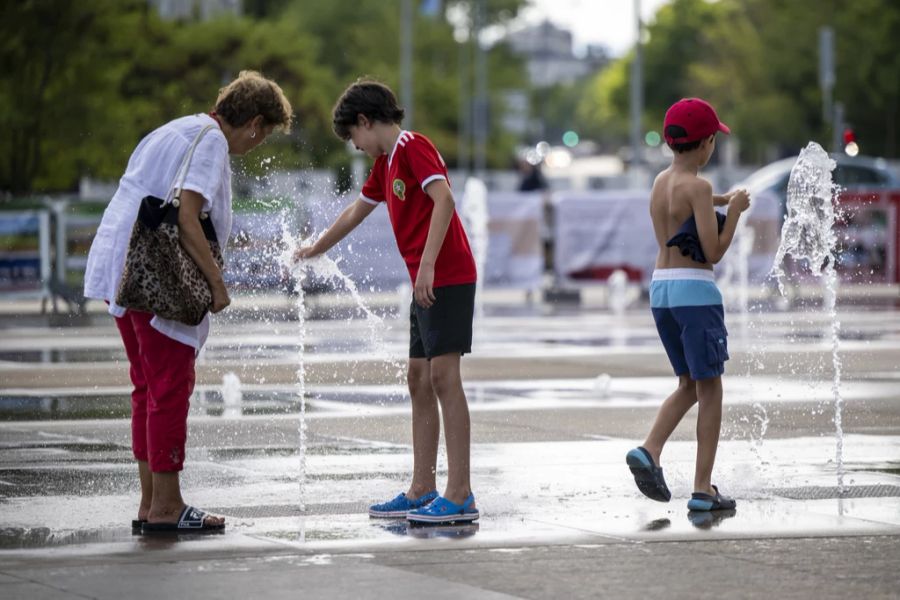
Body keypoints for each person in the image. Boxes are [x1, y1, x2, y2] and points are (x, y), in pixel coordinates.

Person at [83, 71, 293, 532]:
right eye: (265, 135)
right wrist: (218, 286)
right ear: (255, 122)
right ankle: (167, 507)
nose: (258, 145)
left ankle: (151, 502)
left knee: (148, 387)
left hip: (122, 268)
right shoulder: (212, 141)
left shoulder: (173, 128)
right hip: (157, 278)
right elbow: (187, 217)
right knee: (170, 387)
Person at [295, 80, 479, 524]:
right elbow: (356, 211)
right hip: (426, 280)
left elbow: (445, 200)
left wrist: (430, 265)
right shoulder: (385, 163)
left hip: (446, 277)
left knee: (443, 378)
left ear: (365, 121)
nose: (354, 146)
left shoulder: (413, 146)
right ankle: (422, 487)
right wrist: (316, 248)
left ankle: (460, 494)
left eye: (352, 137)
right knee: (418, 378)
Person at [625, 98, 751, 512]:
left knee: (688, 384)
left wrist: (718, 200)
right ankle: (702, 488)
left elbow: (686, 206)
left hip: (662, 291)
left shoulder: (662, 182)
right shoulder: (698, 187)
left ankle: (651, 449)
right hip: (695, 293)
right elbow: (712, 252)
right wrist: (733, 213)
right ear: (707, 144)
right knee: (711, 387)